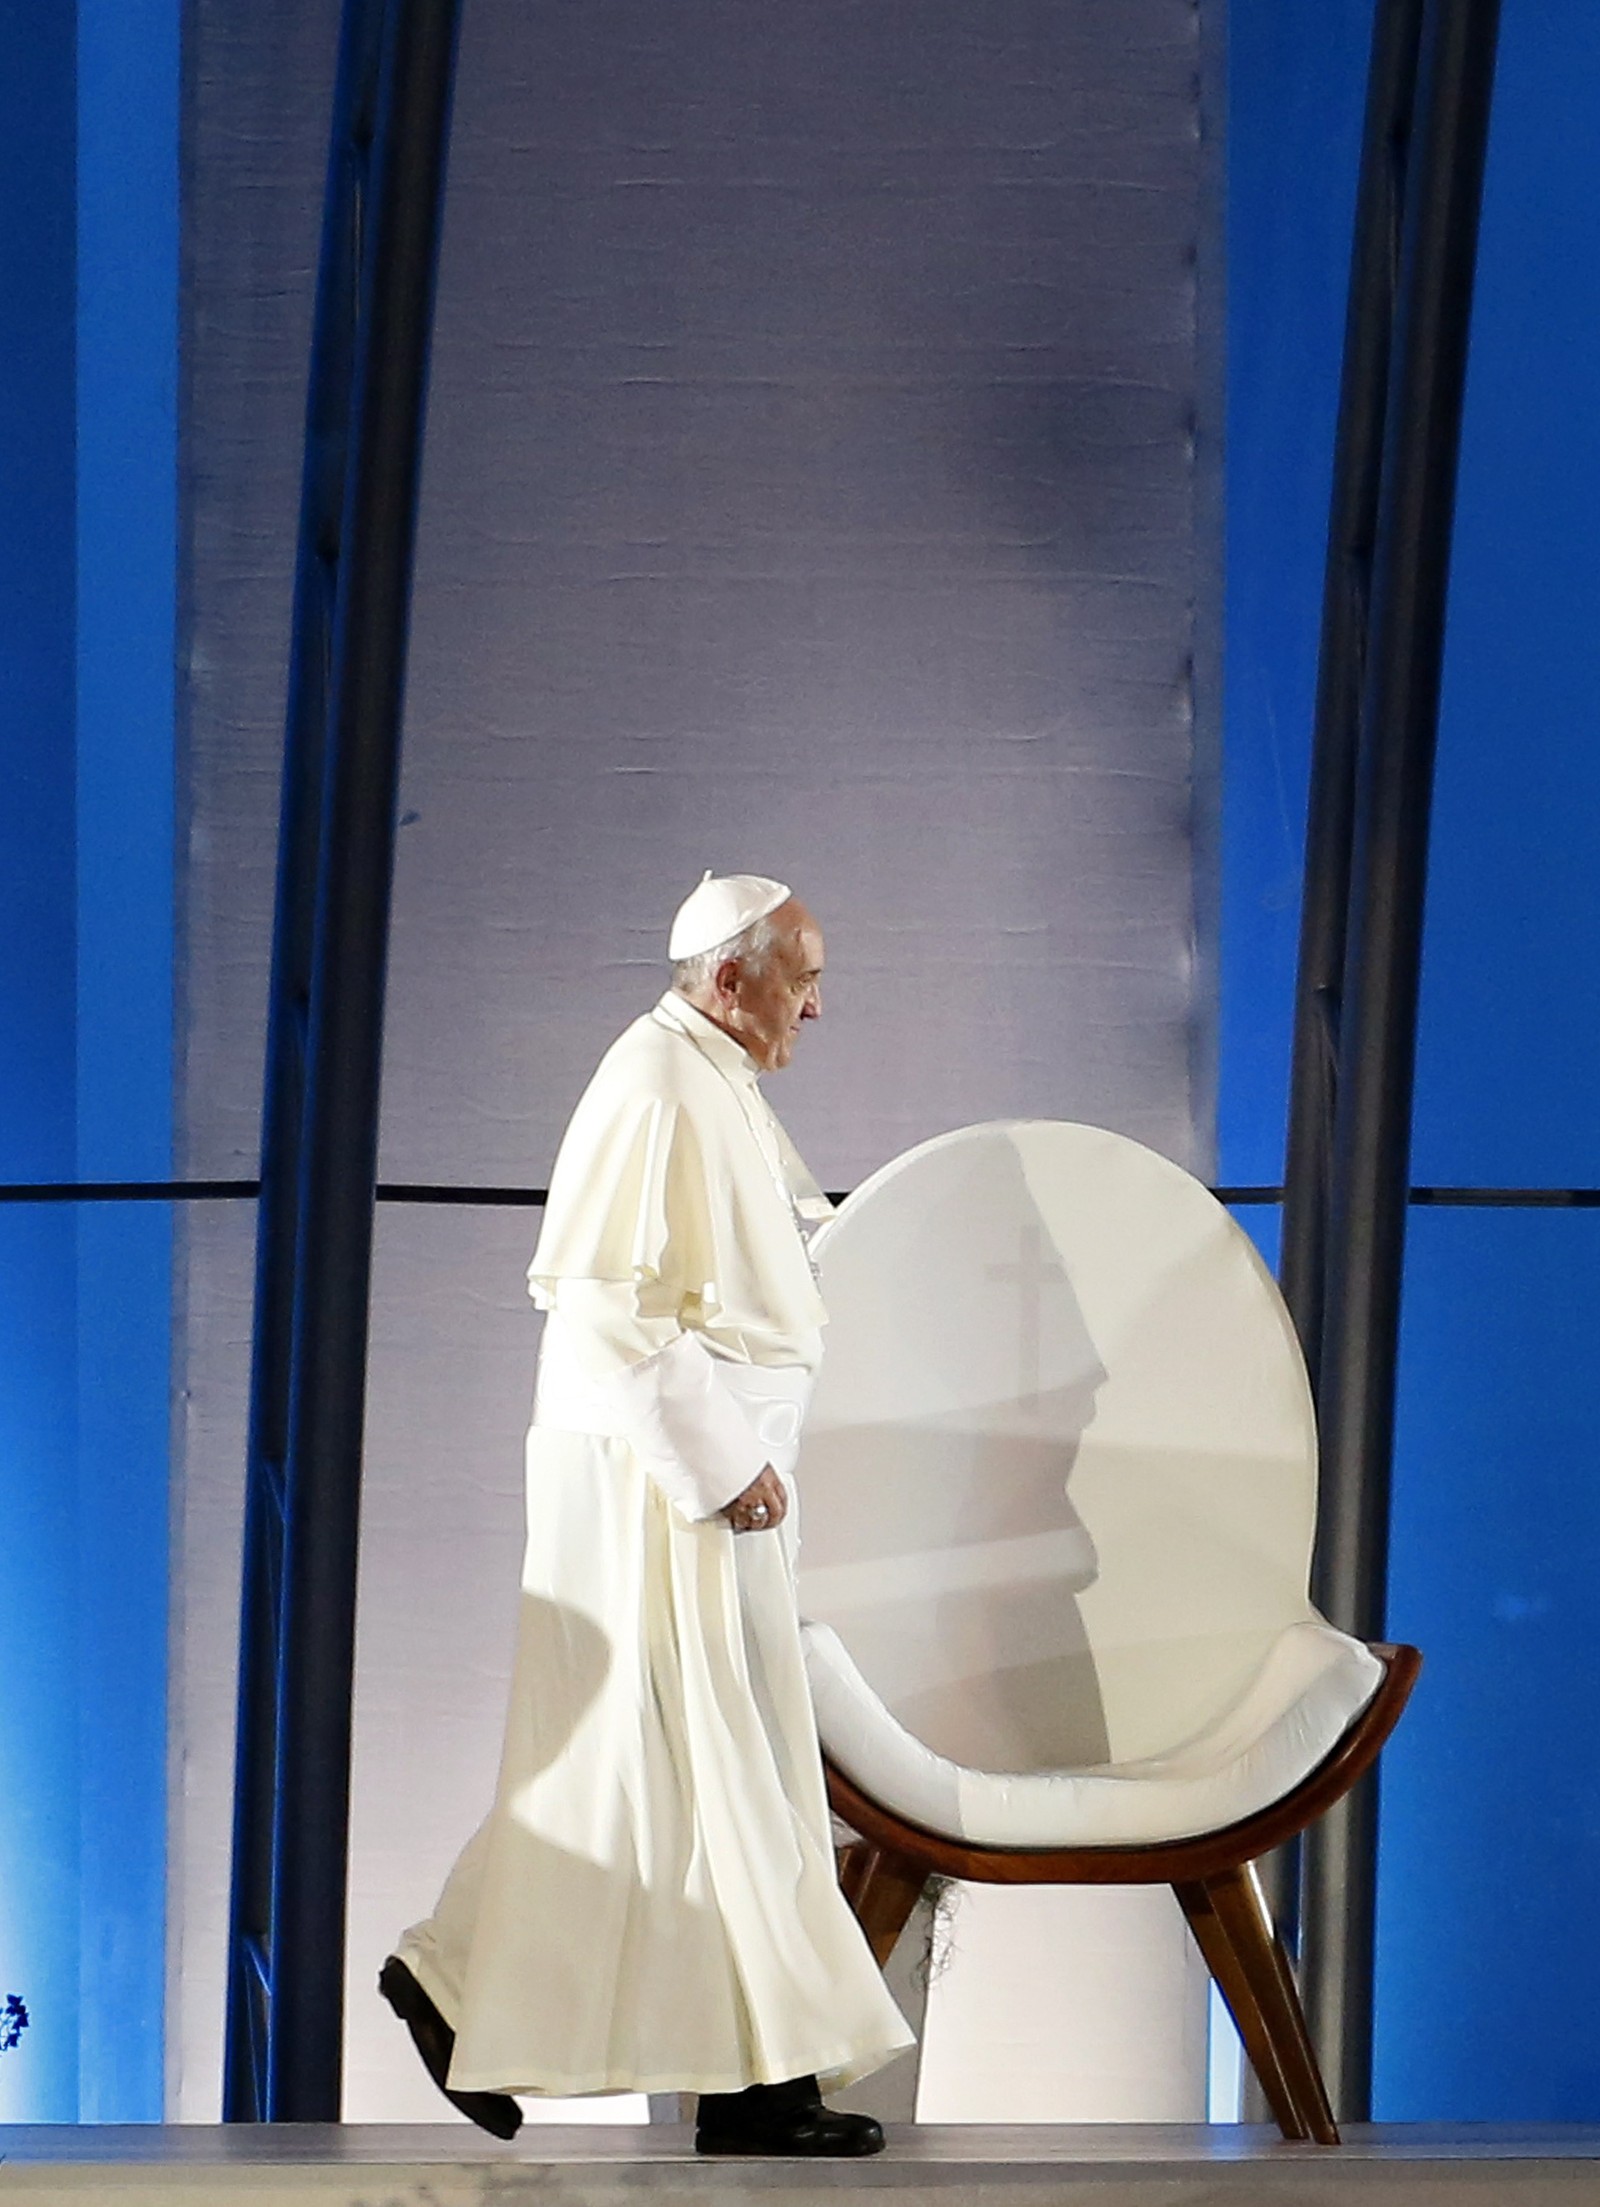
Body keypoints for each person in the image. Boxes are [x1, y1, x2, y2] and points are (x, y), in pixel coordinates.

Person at [380, 873, 911, 2156]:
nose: (819, 1005)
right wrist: (721, 1464)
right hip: (662, 1486)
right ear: (730, 979)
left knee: (660, 1766)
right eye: (803, 975)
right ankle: (753, 2087)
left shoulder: (708, 1076)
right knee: (714, 1760)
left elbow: (778, 1247)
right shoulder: (657, 1082)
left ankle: (460, 1986)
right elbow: (609, 1305)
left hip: (701, 1477)